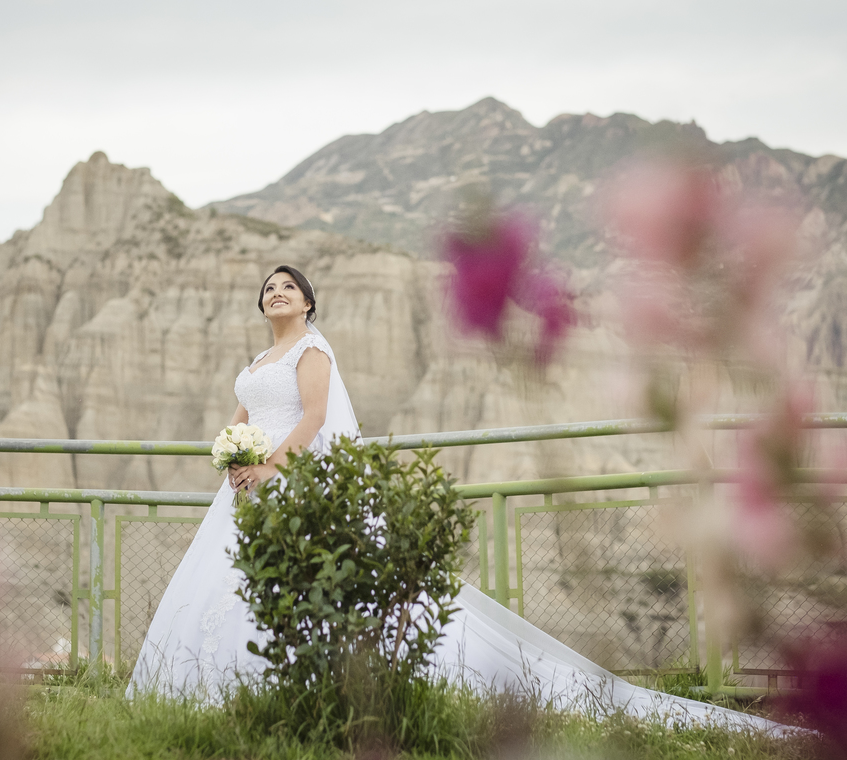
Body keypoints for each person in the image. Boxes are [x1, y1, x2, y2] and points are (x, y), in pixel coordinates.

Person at [127, 265, 790, 735]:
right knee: (235, 583)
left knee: (297, 577)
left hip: (290, 478)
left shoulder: (312, 350)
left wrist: (272, 467)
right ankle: (224, 690)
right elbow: (241, 416)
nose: (277, 293)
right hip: (245, 488)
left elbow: (316, 418)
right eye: (269, 288)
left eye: (288, 287)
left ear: (307, 303)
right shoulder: (255, 363)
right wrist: (234, 458)